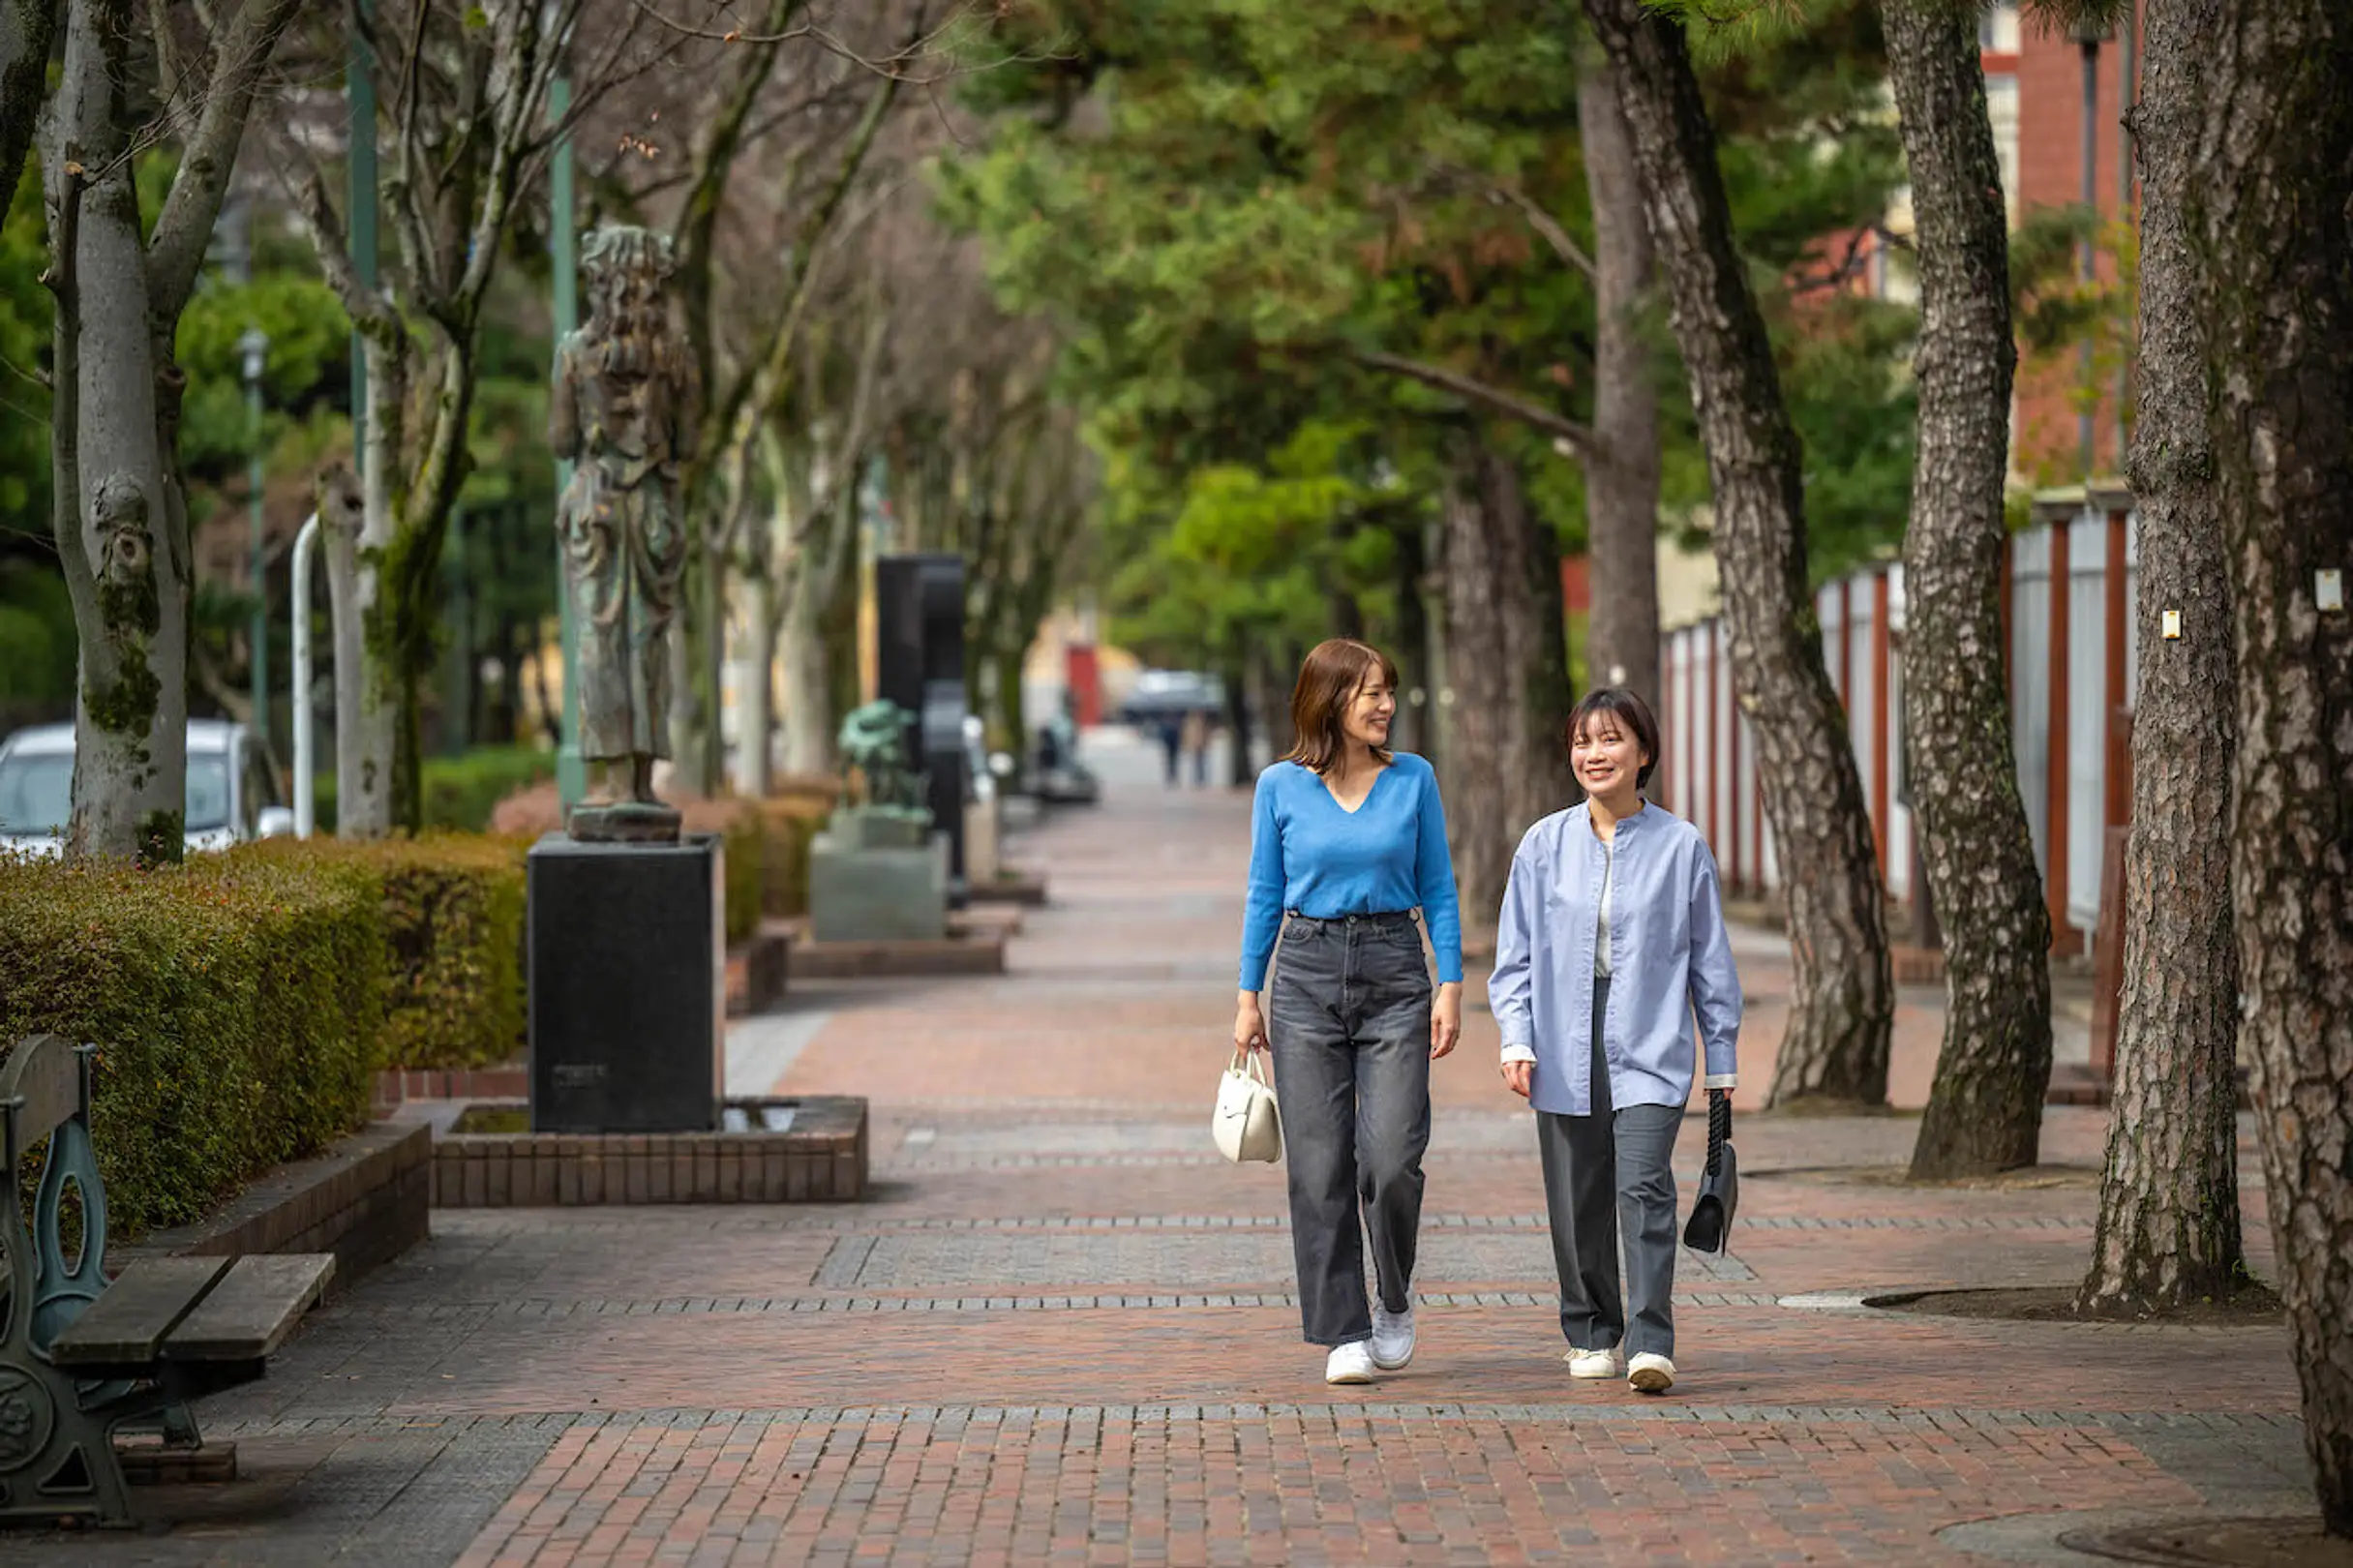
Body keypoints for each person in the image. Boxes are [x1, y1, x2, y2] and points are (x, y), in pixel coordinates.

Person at [1489, 686, 1741, 1396]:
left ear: (1643, 754)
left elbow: (1709, 961)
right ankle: (1591, 1331)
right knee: (1579, 1194)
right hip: (1559, 1035)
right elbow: (1514, 957)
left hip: (1651, 1036)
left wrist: (1720, 1064)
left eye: (1609, 740)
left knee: (1642, 1183)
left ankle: (1649, 1340)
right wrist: (1516, 1039)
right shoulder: (1542, 844)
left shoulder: (1681, 845)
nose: (1592, 755)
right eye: (1581, 742)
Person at [1234, 638, 1463, 1385]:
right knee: (1319, 1165)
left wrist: (1450, 983)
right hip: (1302, 976)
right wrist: (1247, 996)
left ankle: (1392, 1297)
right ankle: (1343, 1330)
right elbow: (1264, 893)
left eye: (1388, 691)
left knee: (1392, 1159)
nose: (1386, 705)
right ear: (1329, 699)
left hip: (1396, 970)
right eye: (1370, 692)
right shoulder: (1279, 785)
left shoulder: (1414, 779)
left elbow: (1438, 885)